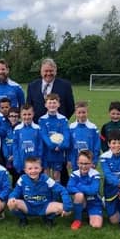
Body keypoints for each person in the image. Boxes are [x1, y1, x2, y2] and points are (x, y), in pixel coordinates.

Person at [26, 58, 75, 186]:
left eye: (51, 71)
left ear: (56, 71)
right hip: (39, 130)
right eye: (45, 71)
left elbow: (70, 107)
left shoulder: (65, 85)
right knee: (43, 160)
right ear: (41, 71)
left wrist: (59, 123)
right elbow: (29, 106)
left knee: (59, 164)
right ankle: (41, 186)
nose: (48, 74)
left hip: (58, 130)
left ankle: (62, 186)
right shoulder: (32, 86)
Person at [7, 156, 72, 227]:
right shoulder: (22, 179)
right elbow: (16, 191)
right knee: (11, 203)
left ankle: (48, 218)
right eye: (30, 168)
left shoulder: (46, 179)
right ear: (25, 170)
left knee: (65, 210)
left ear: (41, 169)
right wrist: (12, 197)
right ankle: (23, 219)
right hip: (28, 206)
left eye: (36, 168)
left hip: (45, 206)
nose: (33, 171)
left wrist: (67, 206)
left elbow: (62, 190)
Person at [67, 150, 102, 230]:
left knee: (96, 225)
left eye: (86, 163)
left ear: (92, 163)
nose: (83, 166)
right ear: (77, 163)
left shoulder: (95, 174)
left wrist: (79, 185)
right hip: (82, 201)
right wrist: (85, 189)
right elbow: (69, 188)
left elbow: (93, 191)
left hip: (94, 202)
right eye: (81, 163)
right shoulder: (75, 174)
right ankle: (77, 220)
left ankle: (91, 213)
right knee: (79, 195)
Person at [38, 93, 70, 182]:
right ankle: (48, 194)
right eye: (50, 103)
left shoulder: (63, 119)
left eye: (54, 103)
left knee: (56, 174)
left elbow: (66, 134)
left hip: (58, 152)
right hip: (47, 152)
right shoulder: (42, 119)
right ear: (45, 105)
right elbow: (43, 135)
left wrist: (62, 146)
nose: (52, 105)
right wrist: (51, 145)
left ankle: (56, 194)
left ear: (59, 104)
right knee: (46, 173)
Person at [12, 104, 43, 181]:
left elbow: (40, 146)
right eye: (24, 114)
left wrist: (39, 159)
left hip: (34, 162)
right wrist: (16, 161)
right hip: (22, 161)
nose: (27, 117)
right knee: (22, 181)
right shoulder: (17, 129)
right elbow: (15, 147)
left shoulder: (37, 128)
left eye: (29, 114)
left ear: (33, 114)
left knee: (34, 181)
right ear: (21, 115)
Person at [68, 101, 100, 171]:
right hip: (75, 160)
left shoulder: (93, 127)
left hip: (89, 161)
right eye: (79, 113)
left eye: (83, 112)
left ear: (87, 112)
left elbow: (97, 146)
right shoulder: (71, 127)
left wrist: (94, 160)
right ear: (75, 113)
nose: (81, 115)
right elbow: (69, 146)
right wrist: (69, 159)